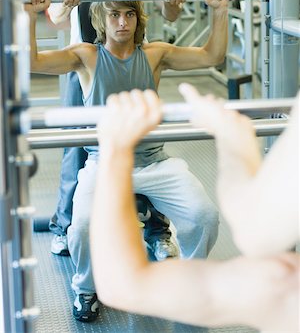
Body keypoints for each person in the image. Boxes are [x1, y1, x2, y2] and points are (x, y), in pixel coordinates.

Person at [25, 0, 227, 322]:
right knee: (82, 226)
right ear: (101, 21)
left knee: (204, 214)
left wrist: (220, 12)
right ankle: (86, 288)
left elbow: (212, 55)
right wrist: (30, 16)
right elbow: (33, 61)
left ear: (138, 18)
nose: (122, 22)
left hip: (154, 163)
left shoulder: (154, 54)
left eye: (129, 14)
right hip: (104, 163)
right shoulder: (86, 56)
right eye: (114, 15)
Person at [47, 0, 190, 259]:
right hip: (86, 64)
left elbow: (166, 5)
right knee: (75, 148)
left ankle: (156, 232)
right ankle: (65, 226)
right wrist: (61, 3)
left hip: (132, 61)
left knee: (143, 144)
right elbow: (55, 10)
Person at [90, 86, 299, 333]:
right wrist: (233, 139)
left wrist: (116, 150)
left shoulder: (282, 288)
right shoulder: (283, 287)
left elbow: (124, 285)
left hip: (154, 164)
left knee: (204, 214)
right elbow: (257, 228)